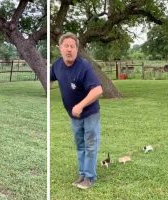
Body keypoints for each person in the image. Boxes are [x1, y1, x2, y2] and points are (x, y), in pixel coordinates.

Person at [50, 32, 103, 189]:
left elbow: (98, 89)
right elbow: (49, 78)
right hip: (74, 115)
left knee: (90, 145)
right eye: (66, 46)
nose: (69, 49)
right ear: (60, 48)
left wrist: (80, 106)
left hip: (90, 113)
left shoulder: (83, 66)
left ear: (77, 49)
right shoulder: (57, 65)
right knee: (80, 145)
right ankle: (82, 174)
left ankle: (90, 177)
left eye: (72, 46)